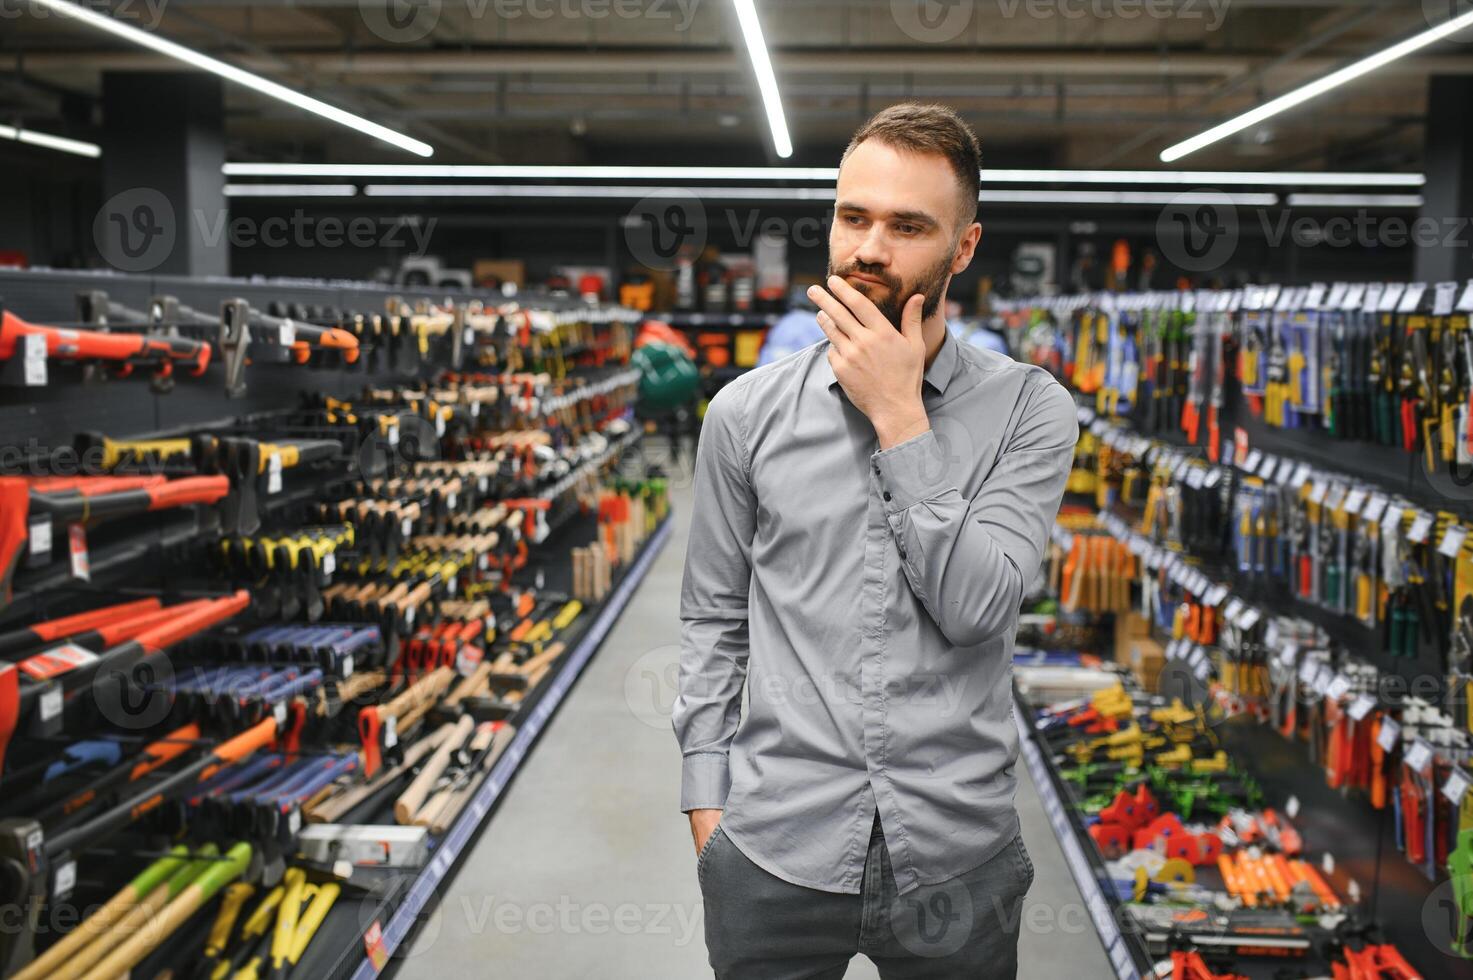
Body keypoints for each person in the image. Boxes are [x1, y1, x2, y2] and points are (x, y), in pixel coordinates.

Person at [672, 102, 1077, 979]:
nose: (868, 249)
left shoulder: (1028, 411)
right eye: (852, 217)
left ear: (963, 248)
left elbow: (975, 608)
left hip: (957, 858)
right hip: (774, 847)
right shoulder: (744, 414)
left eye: (906, 226)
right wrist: (707, 806)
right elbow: (712, 620)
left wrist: (899, 414)